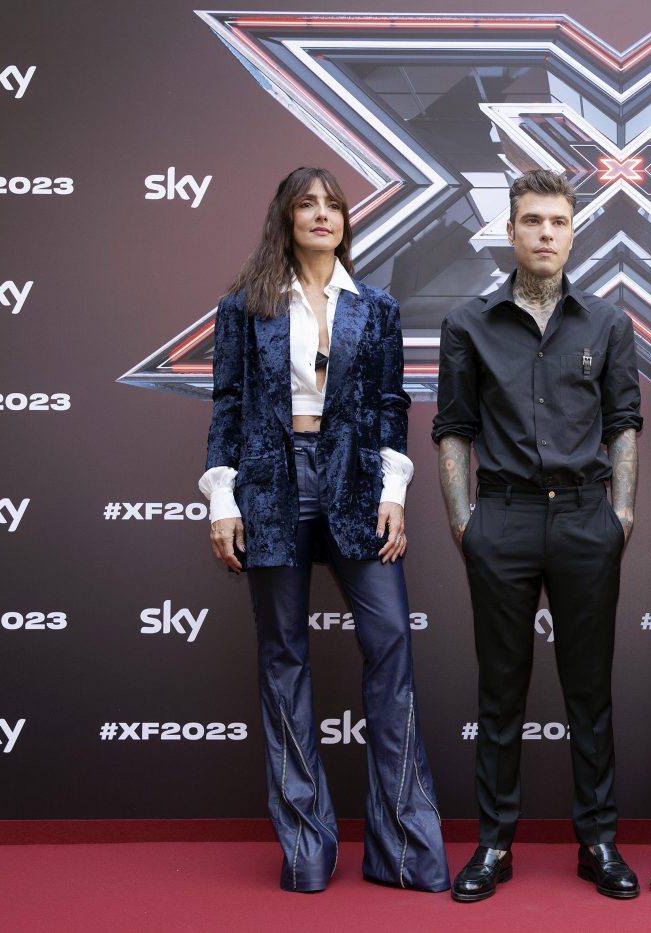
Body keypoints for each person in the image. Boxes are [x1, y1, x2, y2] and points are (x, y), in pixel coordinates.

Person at [200, 167, 448, 894]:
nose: (321, 214)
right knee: (284, 657)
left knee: (391, 644)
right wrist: (222, 498)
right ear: (285, 217)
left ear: (345, 220)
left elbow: (391, 404)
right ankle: (306, 846)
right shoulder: (245, 306)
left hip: (356, 483)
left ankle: (404, 850)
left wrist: (394, 490)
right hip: (270, 484)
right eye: (306, 204)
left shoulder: (376, 307)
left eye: (332, 205)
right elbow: (227, 405)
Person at [432, 169, 643, 902]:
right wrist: (464, 522)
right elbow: (453, 428)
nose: (545, 233)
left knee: (590, 693)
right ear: (511, 230)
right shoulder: (468, 323)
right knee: (500, 693)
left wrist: (621, 515)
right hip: (503, 519)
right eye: (532, 220)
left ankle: (599, 842)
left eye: (558, 221)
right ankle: (494, 844)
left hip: (587, 518)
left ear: (573, 233)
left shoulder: (608, 322)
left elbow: (624, 424)